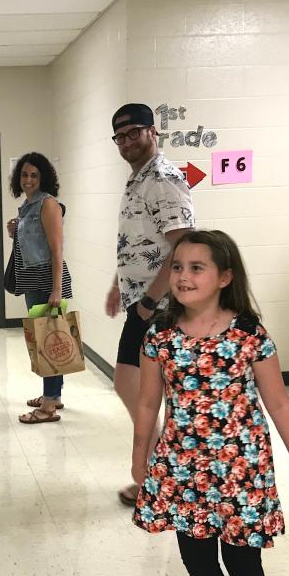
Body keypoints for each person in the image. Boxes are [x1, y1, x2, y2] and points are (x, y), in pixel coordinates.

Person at [132, 230, 289, 576]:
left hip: (243, 471)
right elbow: (146, 404)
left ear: (225, 277)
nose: (182, 276)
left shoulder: (249, 335)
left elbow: (279, 403)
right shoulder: (159, 335)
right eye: (177, 267)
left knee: (244, 563)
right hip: (183, 468)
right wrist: (140, 459)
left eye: (196, 268)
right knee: (198, 561)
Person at [107, 103, 196, 507]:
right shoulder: (138, 180)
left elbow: (183, 247)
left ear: (152, 132)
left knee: (150, 392)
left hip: (162, 307)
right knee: (130, 383)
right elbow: (140, 245)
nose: (126, 142)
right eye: (120, 137)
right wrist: (117, 286)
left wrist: (148, 300)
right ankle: (161, 471)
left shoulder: (162, 179)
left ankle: (163, 479)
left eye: (133, 133)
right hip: (141, 303)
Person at [5, 152, 73, 424]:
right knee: (49, 337)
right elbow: (32, 242)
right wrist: (14, 231)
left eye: (34, 175)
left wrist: (56, 289)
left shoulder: (48, 204)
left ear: (43, 177)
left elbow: (57, 250)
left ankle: (47, 407)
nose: (28, 179)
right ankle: (53, 395)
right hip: (32, 279)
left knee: (48, 341)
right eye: (24, 175)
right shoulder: (27, 205)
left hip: (46, 280)